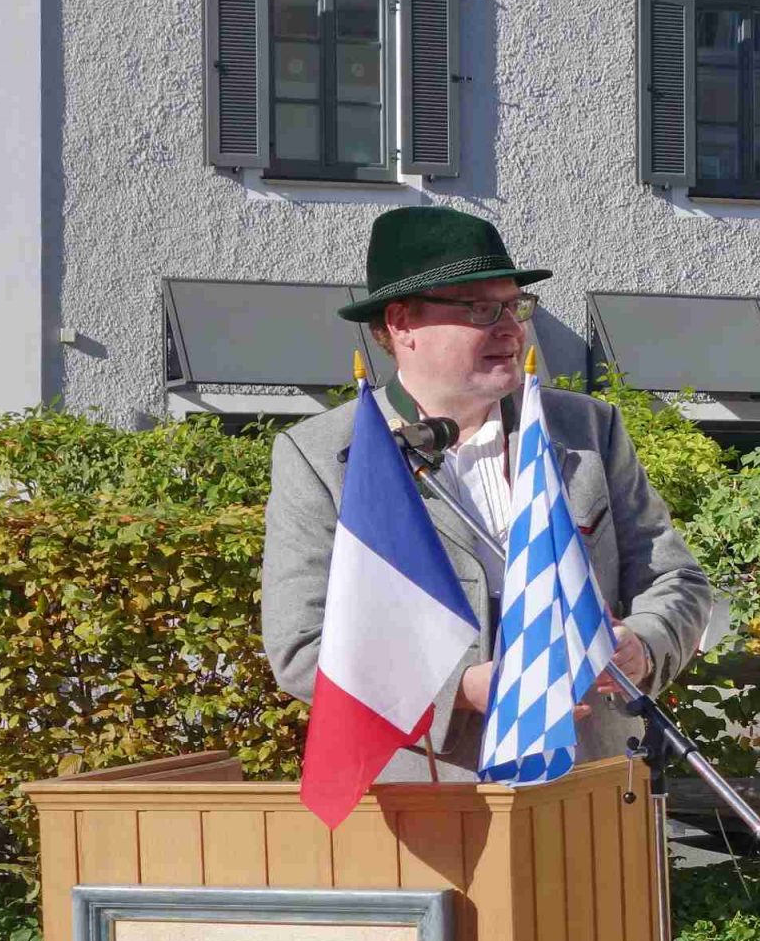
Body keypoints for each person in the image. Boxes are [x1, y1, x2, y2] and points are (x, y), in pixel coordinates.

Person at [263, 209, 713, 778]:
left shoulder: (587, 429)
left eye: (514, 306)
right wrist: (462, 689)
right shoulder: (324, 456)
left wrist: (642, 645)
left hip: (590, 779)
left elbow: (676, 579)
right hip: (431, 790)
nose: (511, 328)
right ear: (402, 324)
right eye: (480, 309)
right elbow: (304, 647)